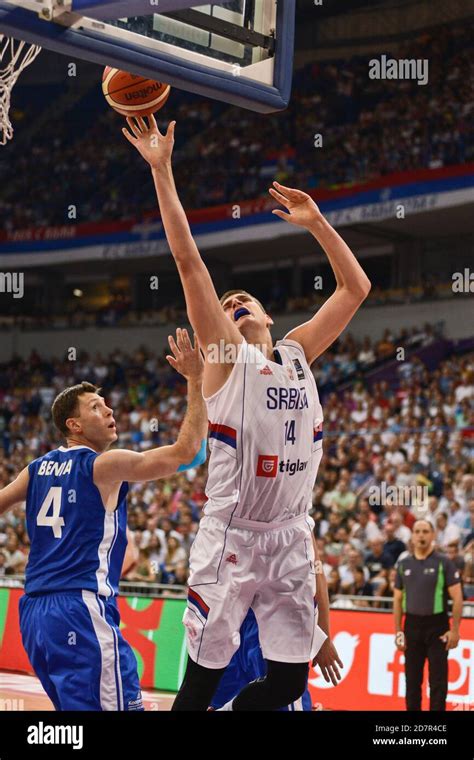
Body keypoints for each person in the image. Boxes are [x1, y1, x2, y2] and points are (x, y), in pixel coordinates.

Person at [123, 115, 371, 711]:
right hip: (232, 538)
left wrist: (319, 225)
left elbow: (354, 289)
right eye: (227, 304)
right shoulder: (225, 359)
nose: (233, 304)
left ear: (266, 315)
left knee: (288, 685)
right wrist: (162, 170)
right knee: (201, 682)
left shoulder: (296, 352)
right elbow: (190, 266)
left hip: (290, 536)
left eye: (245, 301)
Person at [0, 329, 207, 711]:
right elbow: (188, 452)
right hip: (81, 607)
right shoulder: (103, 464)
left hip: (33, 614)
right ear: (73, 426)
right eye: (96, 407)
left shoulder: (35, 469)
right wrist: (196, 380)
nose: (110, 411)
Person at [393, 520, 463, 711]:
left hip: (437, 627)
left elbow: (458, 598)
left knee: (438, 683)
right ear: (412, 536)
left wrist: (455, 631)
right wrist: (398, 631)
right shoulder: (403, 564)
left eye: (425, 531)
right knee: (412, 682)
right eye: (417, 531)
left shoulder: (444, 563)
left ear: (433, 535)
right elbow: (397, 600)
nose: (421, 535)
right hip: (412, 627)